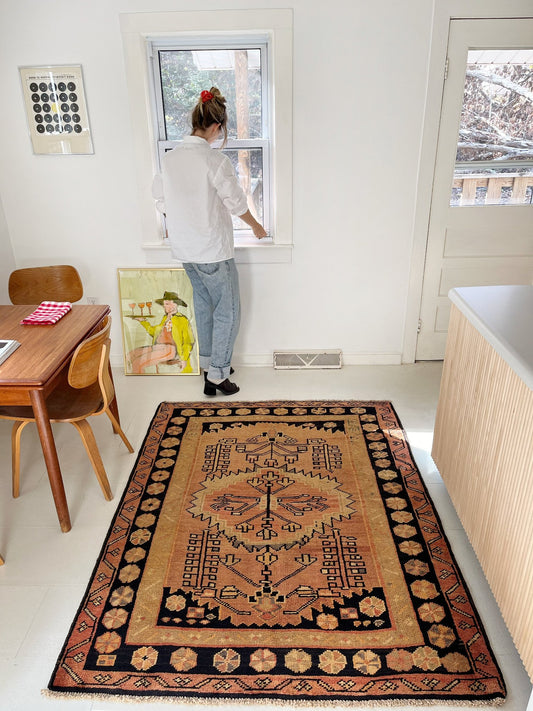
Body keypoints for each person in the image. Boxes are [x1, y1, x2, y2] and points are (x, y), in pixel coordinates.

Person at [152, 87, 267, 396]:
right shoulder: (213, 160)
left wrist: (183, 218)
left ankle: (209, 365)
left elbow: (160, 199)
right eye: (221, 131)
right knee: (229, 309)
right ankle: (217, 375)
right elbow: (235, 202)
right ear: (216, 126)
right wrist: (256, 227)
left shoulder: (170, 159)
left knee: (204, 305)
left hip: (186, 250)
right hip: (212, 251)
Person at [128, 292, 195, 374]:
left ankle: (140, 384)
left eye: (169, 303)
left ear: (176, 305)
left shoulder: (182, 320)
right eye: (165, 304)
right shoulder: (164, 318)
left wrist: (184, 358)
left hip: (169, 349)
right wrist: (143, 321)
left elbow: (188, 341)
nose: (167, 306)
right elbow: (154, 332)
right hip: (157, 347)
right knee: (130, 355)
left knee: (137, 362)